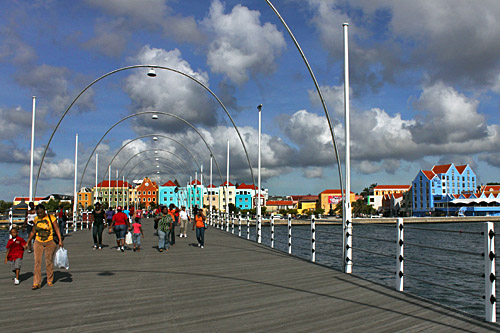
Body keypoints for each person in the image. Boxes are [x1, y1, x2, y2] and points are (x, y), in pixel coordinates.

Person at [24, 204, 63, 290]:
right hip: (38, 242)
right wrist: (28, 242)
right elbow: (33, 231)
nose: (40, 215)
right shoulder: (36, 219)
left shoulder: (51, 217)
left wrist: (60, 240)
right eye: (38, 213)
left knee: (48, 261)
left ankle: (49, 279)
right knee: (37, 262)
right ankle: (36, 282)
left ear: (44, 211)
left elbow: (56, 228)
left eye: (41, 213)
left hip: (50, 241)